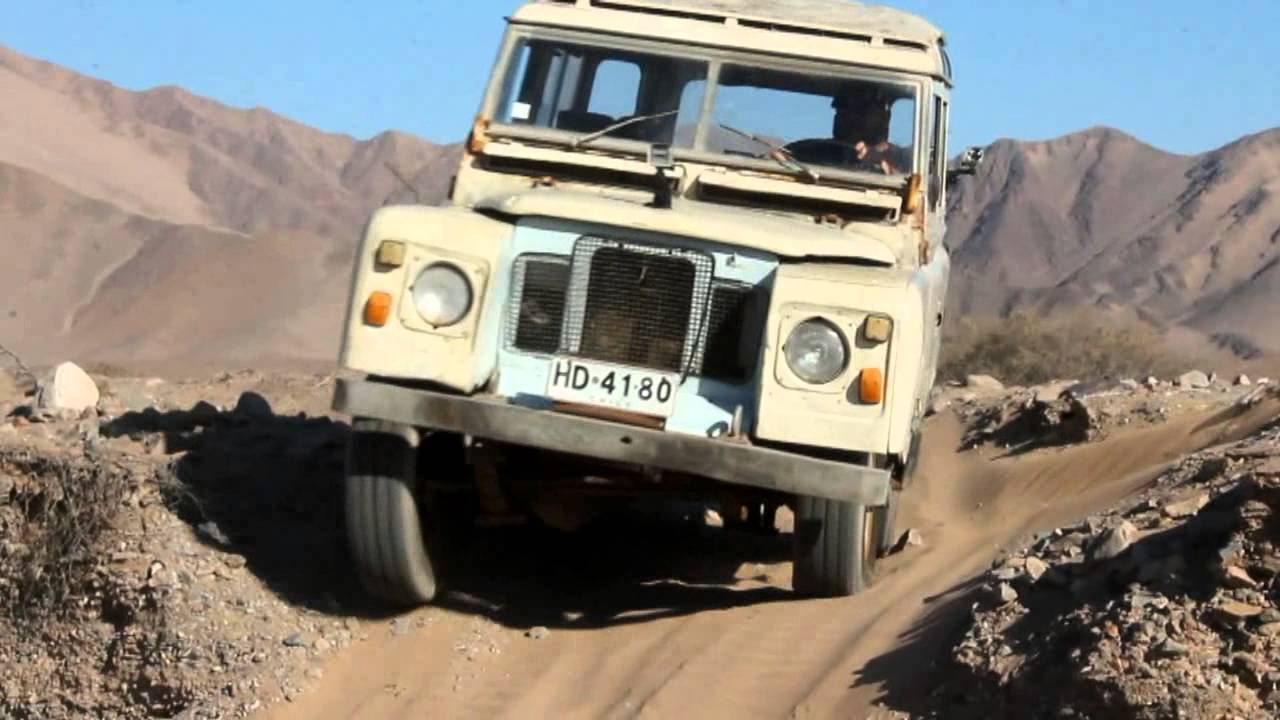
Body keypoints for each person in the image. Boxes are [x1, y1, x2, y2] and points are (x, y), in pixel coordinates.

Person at [831, 87, 911, 174]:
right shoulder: (819, 152)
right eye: (843, 110)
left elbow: (914, 181)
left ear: (885, 117)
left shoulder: (905, 159)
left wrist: (886, 167)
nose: (852, 118)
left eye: (861, 110)